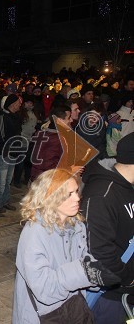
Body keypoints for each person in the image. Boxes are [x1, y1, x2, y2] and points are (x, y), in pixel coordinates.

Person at [12, 168, 120, 323]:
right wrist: (84, 272)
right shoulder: (34, 233)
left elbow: (83, 260)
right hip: (42, 315)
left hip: (73, 309)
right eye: (69, 194)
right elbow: (44, 289)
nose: (77, 198)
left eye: (77, 191)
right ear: (51, 198)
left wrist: (96, 276)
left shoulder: (76, 225)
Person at [80, 133, 134, 324]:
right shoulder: (101, 195)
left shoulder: (129, 185)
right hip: (111, 294)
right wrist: (127, 279)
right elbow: (98, 251)